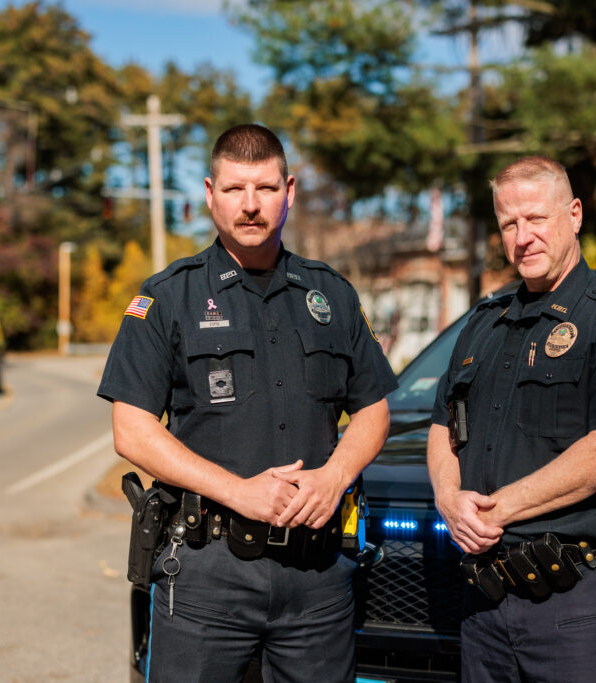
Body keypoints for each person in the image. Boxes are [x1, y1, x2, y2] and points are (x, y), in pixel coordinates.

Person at [98, 123, 397, 682]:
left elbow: (374, 409)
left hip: (318, 579)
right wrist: (240, 492)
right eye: (235, 190)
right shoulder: (167, 297)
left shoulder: (330, 293)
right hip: (208, 577)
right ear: (210, 194)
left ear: (290, 191)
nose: (251, 205)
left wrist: (335, 477)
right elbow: (132, 430)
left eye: (265, 188)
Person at [427, 156, 596, 682]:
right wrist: (449, 500)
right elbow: (443, 427)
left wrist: (495, 512)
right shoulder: (483, 324)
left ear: (574, 214)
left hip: (577, 605)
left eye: (537, 219)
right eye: (509, 224)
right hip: (485, 599)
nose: (523, 236)